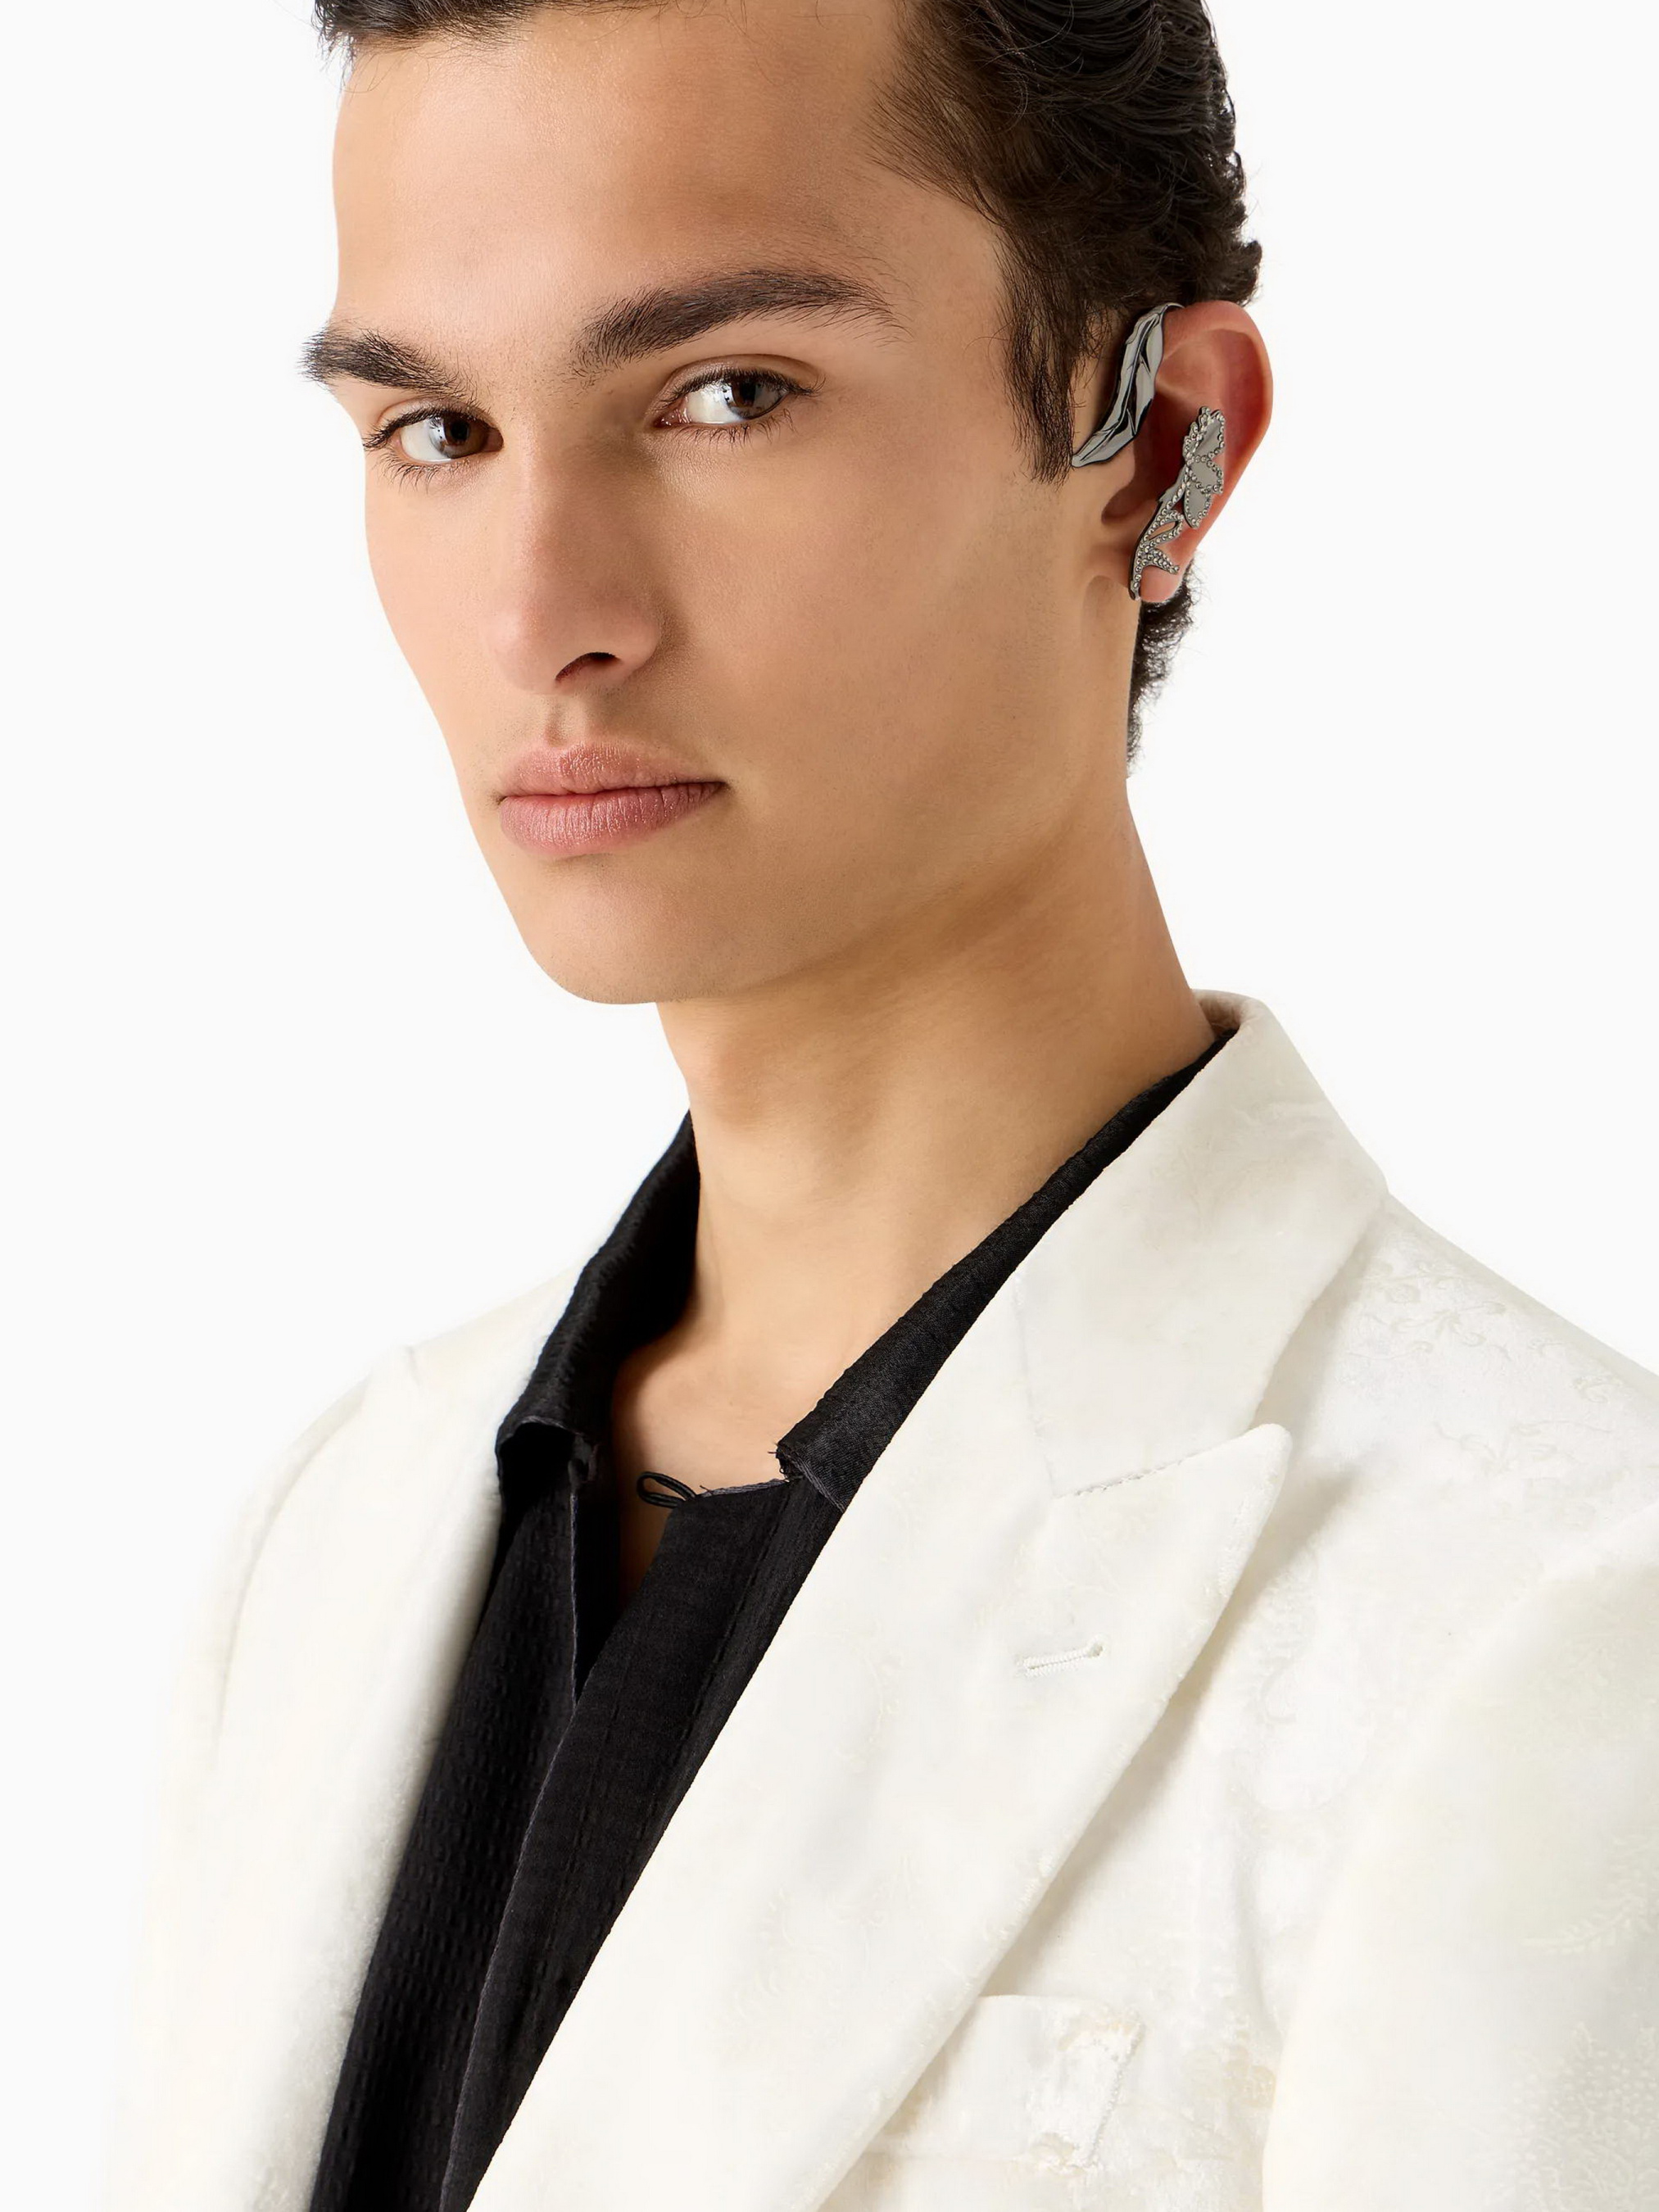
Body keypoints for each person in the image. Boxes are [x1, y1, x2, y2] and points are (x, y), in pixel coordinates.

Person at [105, 0, 1659, 2207]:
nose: (545, 614)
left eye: (727, 395)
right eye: (437, 429)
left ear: (1159, 447)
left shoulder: (1544, 1614)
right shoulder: (336, 1530)